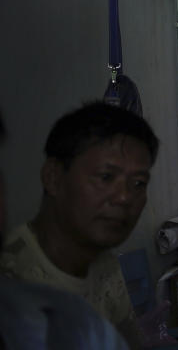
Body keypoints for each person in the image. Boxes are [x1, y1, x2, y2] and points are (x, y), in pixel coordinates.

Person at [0, 102, 158, 349]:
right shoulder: (12, 274)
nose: (124, 197)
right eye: (106, 177)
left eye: (138, 183)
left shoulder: (106, 265)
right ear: (53, 177)